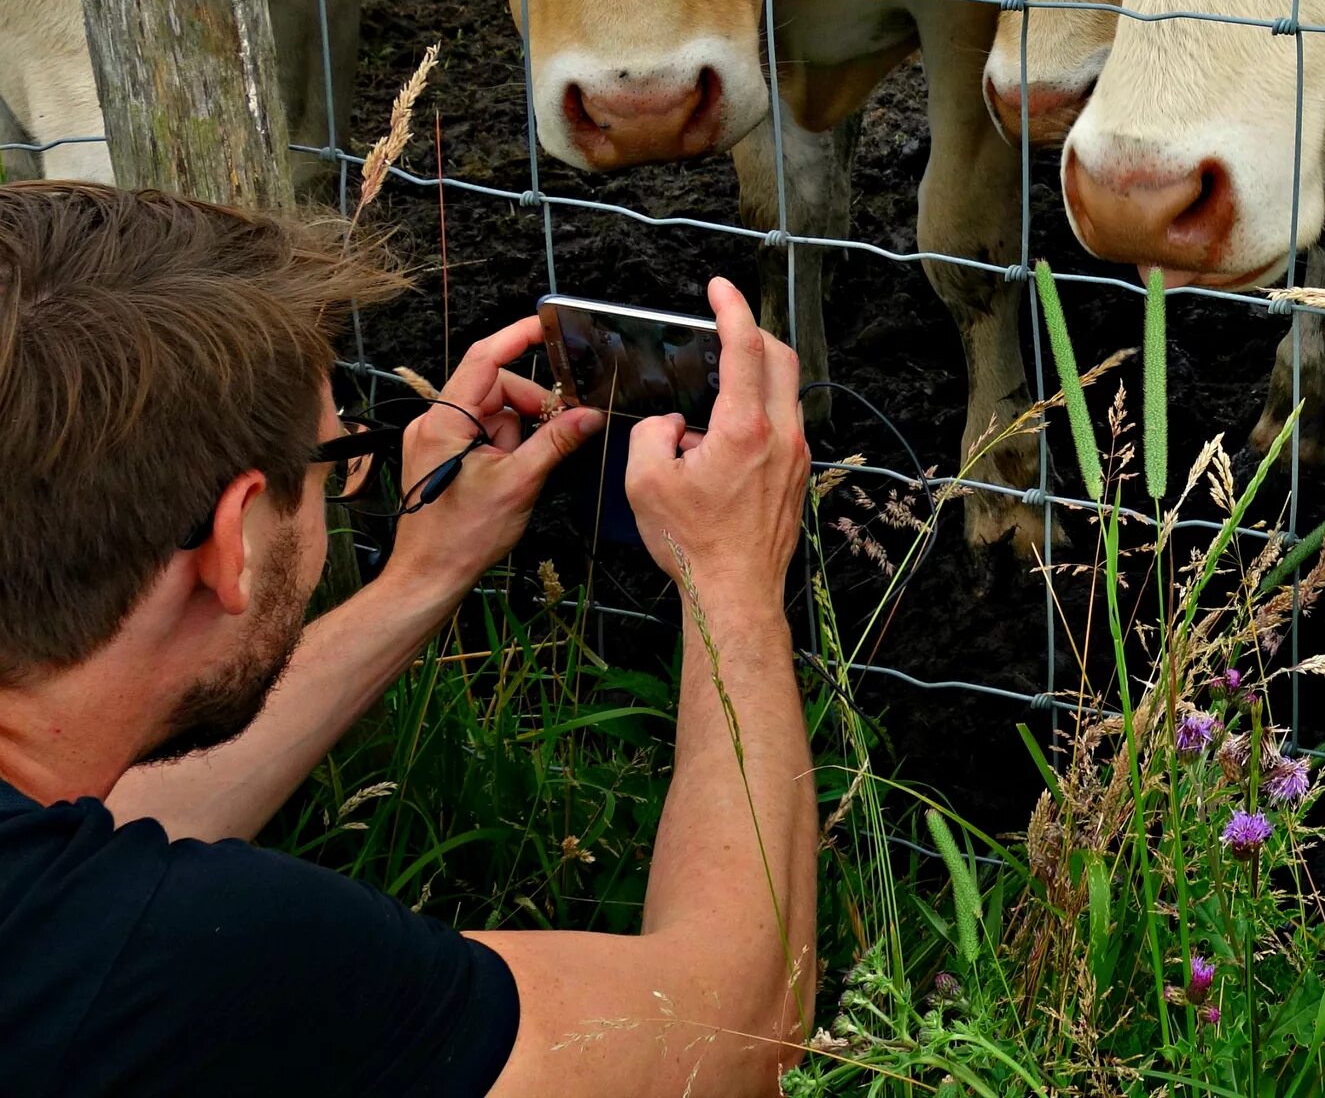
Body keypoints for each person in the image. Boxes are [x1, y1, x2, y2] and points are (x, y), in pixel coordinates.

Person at [0, 182, 818, 1097]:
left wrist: (424, 572)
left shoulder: (54, 923)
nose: (355, 459)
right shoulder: (210, 961)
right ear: (230, 540)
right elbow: (731, 1025)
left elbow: (83, 854)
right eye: (335, 457)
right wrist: (733, 580)